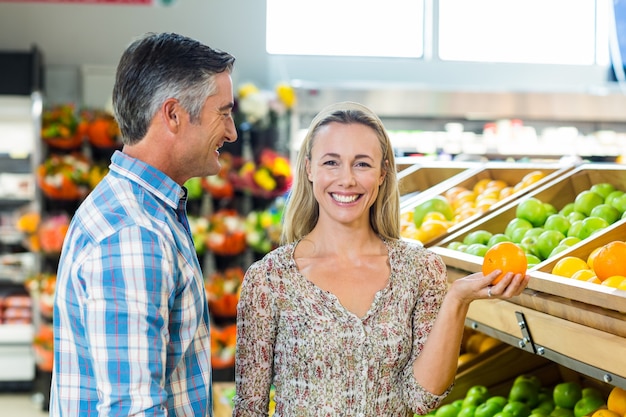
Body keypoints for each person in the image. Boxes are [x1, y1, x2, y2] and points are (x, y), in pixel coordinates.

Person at [232, 101, 529, 416]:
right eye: (331, 162)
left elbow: (421, 398)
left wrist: (457, 300)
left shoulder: (420, 269)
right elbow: (249, 408)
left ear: (382, 173)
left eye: (362, 164)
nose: (346, 179)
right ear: (309, 169)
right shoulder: (269, 279)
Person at [49, 32, 237, 416]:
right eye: (224, 112)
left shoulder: (139, 209)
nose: (232, 132)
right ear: (173, 115)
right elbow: (132, 408)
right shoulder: (133, 233)